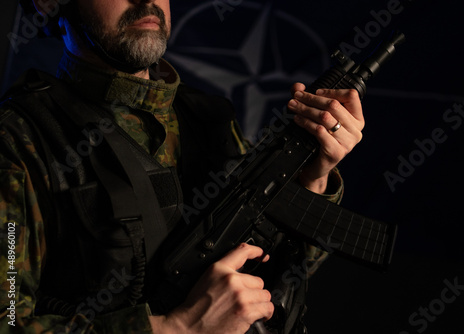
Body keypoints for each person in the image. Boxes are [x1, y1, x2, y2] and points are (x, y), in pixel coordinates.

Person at [0, 0, 364, 333]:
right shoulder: (18, 140)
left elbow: (281, 279)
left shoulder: (208, 119)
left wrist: (313, 176)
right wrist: (177, 327)